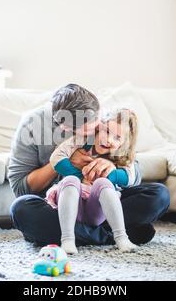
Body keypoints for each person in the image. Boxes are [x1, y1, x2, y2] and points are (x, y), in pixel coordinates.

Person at [9, 84, 170, 247]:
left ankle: (69, 235)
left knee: (159, 195)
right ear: (66, 128)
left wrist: (111, 166)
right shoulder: (32, 125)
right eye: (89, 131)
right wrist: (67, 160)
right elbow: (21, 188)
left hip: (102, 202)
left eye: (99, 123)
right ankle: (114, 234)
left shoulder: (99, 117)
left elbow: (132, 173)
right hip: (59, 206)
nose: (99, 131)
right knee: (21, 209)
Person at [47, 109, 140, 254]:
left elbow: (131, 177)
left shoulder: (121, 156)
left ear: (123, 144)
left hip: (96, 210)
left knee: (103, 184)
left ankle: (122, 238)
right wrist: (80, 174)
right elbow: (55, 158)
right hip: (71, 200)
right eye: (107, 131)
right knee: (70, 181)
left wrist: (109, 174)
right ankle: (67, 240)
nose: (109, 140)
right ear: (98, 127)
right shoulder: (82, 140)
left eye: (117, 138)